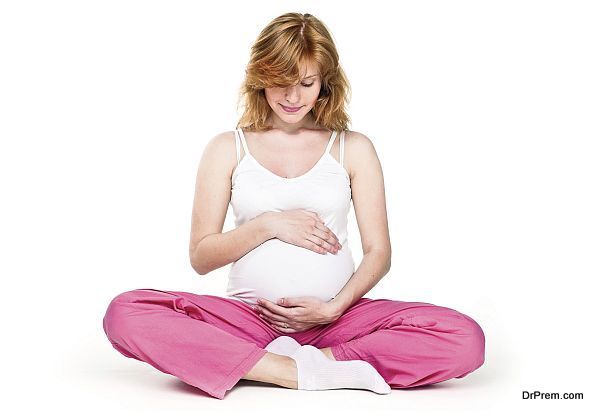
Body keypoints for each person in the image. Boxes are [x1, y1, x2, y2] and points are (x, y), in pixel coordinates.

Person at [102, 12, 485, 400]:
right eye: (281, 82)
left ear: (324, 84)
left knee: (464, 338)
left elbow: (379, 252)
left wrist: (333, 309)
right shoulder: (226, 148)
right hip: (250, 318)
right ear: (261, 77)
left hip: (339, 320)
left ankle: (279, 362)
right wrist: (268, 224)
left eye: (306, 83)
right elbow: (201, 257)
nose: (292, 97)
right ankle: (296, 370)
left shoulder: (352, 147)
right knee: (125, 313)